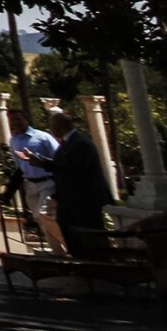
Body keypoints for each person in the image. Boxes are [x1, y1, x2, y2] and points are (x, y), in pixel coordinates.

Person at [47, 111, 115, 259]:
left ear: (58, 127)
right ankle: (81, 259)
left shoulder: (80, 143)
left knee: (90, 230)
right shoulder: (67, 144)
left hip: (85, 197)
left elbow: (76, 170)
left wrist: (45, 164)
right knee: (68, 226)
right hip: (69, 198)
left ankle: (101, 261)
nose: (50, 129)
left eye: (51, 126)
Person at [4, 108, 68, 251]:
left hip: (47, 182)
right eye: (12, 120)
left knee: (44, 214)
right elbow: (20, 166)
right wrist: (9, 190)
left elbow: (58, 159)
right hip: (30, 185)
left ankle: (70, 244)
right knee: (40, 220)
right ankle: (58, 252)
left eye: (18, 119)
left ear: (26, 119)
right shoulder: (13, 140)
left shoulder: (42, 137)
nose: (16, 122)